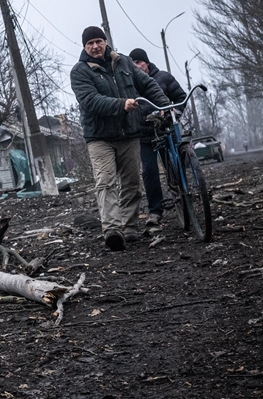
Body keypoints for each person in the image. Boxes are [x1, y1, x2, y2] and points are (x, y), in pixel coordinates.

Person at [70, 27, 171, 251]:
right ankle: (112, 230)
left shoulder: (124, 62)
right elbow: (90, 100)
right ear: (84, 47)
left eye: (98, 41)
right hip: (100, 138)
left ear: (106, 42)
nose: (95, 46)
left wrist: (163, 105)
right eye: (90, 44)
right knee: (106, 182)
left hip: (128, 133)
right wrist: (120, 105)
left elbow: (148, 84)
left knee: (132, 182)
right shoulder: (80, 71)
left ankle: (130, 227)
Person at [128, 48, 186, 227]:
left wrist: (173, 110)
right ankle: (155, 211)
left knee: (176, 165)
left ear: (146, 62)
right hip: (145, 135)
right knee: (149, 171)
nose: (137, 66)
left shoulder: (163, 77)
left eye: (139, 62)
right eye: (133, 64)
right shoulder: (130, 84)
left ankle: (183, 196)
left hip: (166, 129)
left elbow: (180, 97)